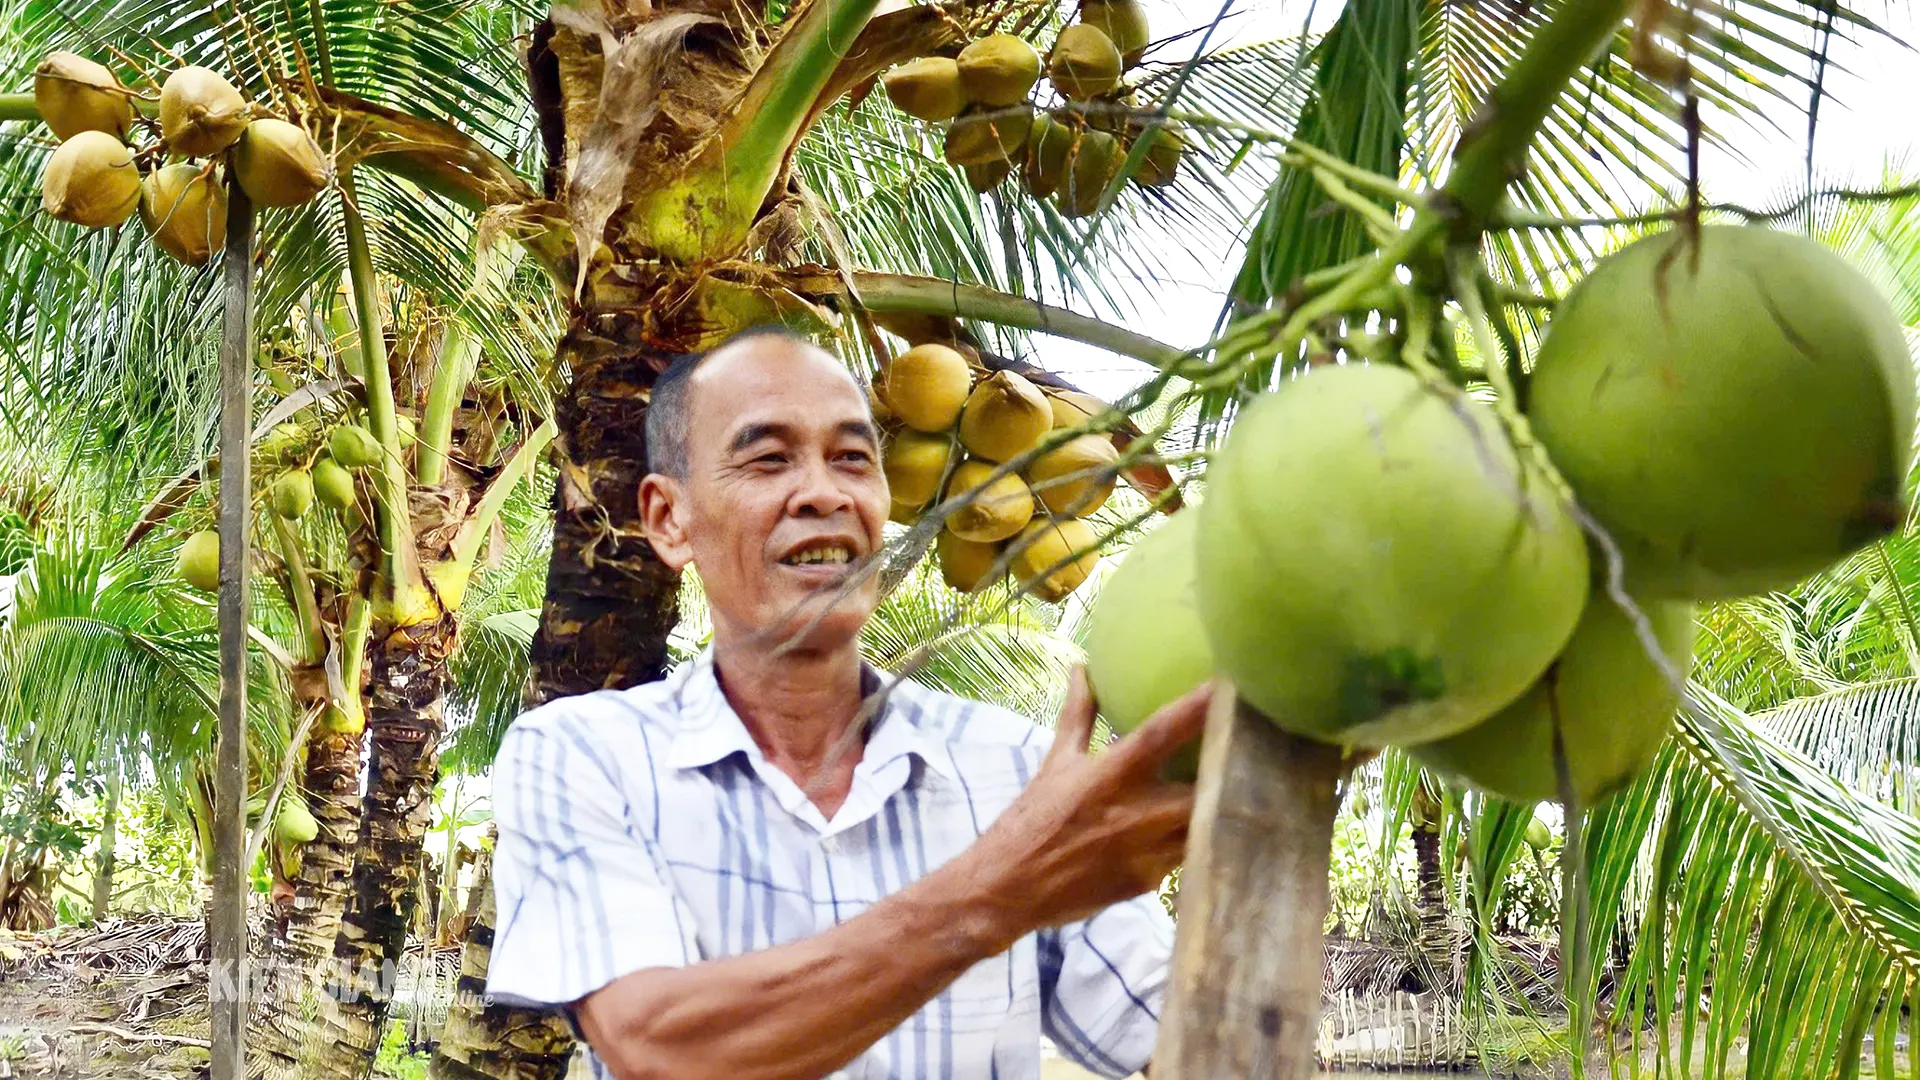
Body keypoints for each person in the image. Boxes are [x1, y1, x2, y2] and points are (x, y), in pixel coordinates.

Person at [485, 326, 1210, 1080]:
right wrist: (1000, 889)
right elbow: (659, 1043)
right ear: (672, 520)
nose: (825, 493)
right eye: (767, 458)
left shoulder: (1018, 770)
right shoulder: (581, 754)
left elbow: (1185, 1044)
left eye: (854, 459)